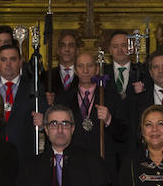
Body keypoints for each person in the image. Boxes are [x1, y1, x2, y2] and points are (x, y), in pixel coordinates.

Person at [51, 50, 128, 179]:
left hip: (104, 166)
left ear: (97, 69)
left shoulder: (111, 97)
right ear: (75, 70)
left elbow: (124, 134)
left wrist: (109, 119)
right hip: (73, 165)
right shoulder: (64, 99)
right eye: (81, 66)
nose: (85, 70)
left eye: (90, 66)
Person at [0, 44, 39, 160]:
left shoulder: (34, 88)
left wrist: (41, 124)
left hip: (23, 155)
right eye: (3, 60)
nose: (8, 64)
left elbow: (43, 117)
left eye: (12, 59)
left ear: (20, 62)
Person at [105, 31, 144, 100]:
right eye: (115, 46)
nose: (119, 50)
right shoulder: (102, 72)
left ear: (131, 49)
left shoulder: (143, 71)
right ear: (110, 50)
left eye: (123, 45)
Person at [46, 30, 79, 102]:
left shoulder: (84, 75)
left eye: (71, 46)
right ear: (58, 50)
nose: (67, 49)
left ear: (77, 51)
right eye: (63, 45)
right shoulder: (46, 76)